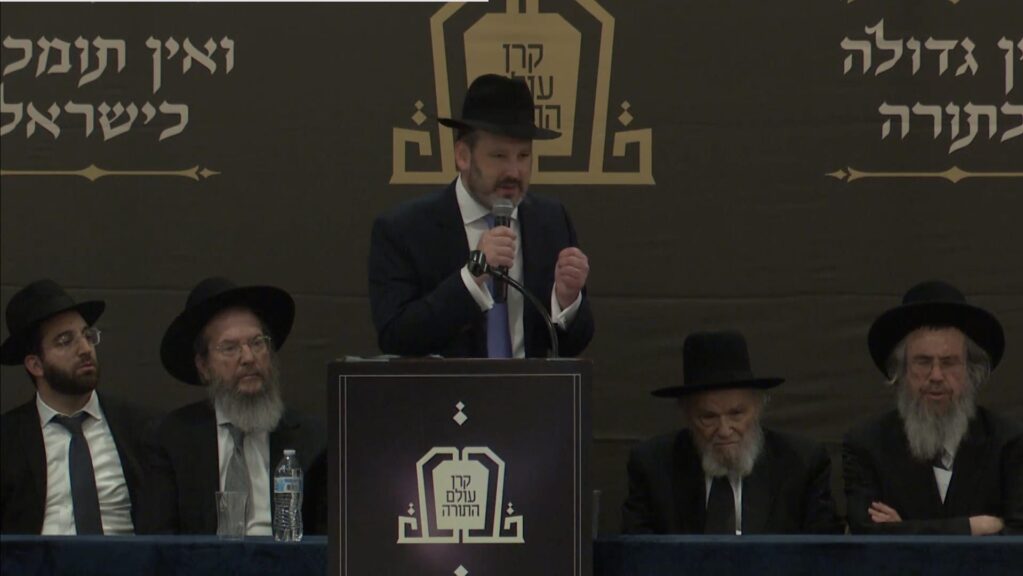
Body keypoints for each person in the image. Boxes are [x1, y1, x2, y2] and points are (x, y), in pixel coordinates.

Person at [369, 73, 594, 358]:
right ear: (463, 156)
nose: (514, 172)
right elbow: (396, 337)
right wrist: (472, 275)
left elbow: (573, 344)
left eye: (523, 156)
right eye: (499, 156)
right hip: (446, 387)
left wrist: (567, 300)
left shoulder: (550, 221)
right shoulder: (405, 229)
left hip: (529, 386)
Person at [140, 277, 325, 535]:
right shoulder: (171, 438)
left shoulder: (313, 439)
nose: (248, 358)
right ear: (204, 366)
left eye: (257, 343)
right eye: (230, 348)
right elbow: (158, 539)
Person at [844, 280, 1023, 535]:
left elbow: (1019, 536)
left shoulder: (1010, 443)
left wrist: (903, 529)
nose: (936, 375)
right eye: (923, 362)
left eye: (949, 362)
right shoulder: (867, 444)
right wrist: (973, 526)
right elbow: (867, 533)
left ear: (970, 371)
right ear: (901, 370)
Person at [622, 330, 843, 534]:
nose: (725, 430)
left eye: (736, 414)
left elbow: (823, 553)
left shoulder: (801, 463)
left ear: (758, 409)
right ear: (688, 416)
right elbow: (637, 552)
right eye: (708, 417)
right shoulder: (653, 467)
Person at [0, 279, 150, 534]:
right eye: (64, 341)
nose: (85, 349)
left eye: (87, 336)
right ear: (36, 365)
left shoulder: (140, 428)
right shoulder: (8, 440)